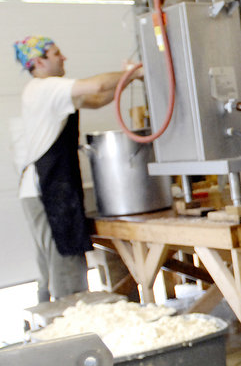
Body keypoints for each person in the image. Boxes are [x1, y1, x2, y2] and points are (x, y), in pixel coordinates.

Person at [11, 36, 144, 302]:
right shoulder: (44, 87)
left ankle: (56, 323)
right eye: (56, 53)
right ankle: (69, 328)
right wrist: (137, 71)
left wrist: (129, 78)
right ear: (38, 62)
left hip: (51, 190)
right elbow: (96, 84)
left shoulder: (51, 93)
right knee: (65, 265)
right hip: (46, 193)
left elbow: (96, 98)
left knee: (55, 264)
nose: (64, 57)